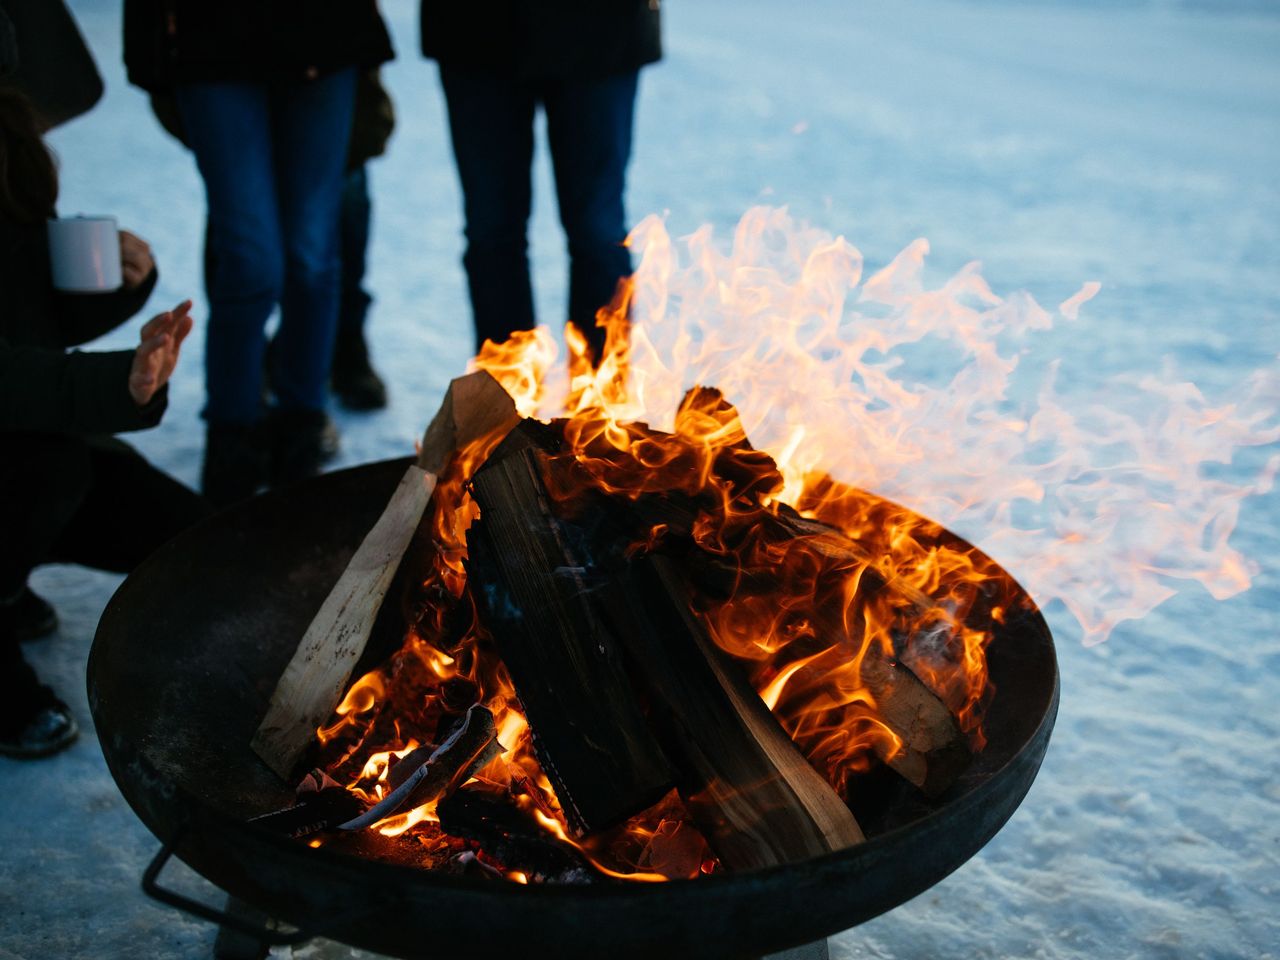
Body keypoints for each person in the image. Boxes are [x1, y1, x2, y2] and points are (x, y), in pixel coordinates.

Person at [0, 83, 208, 757]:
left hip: (34, 438)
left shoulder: (8, 134)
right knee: (48, 470)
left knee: (201, 543)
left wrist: (120, 282)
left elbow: (29, 318)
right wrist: (118, 384)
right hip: (31, 454)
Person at [123, 1, 394, 506]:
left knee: (311, 258)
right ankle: (232, 436)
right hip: (210, 42)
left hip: (323, 40)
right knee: (250, 257)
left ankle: (300, 430)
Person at [421, 0, 662, 362]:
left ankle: (600, 406)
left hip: (602, 34)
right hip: (474, 33)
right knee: (493, 230)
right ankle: (504, 401)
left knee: (598, 232)